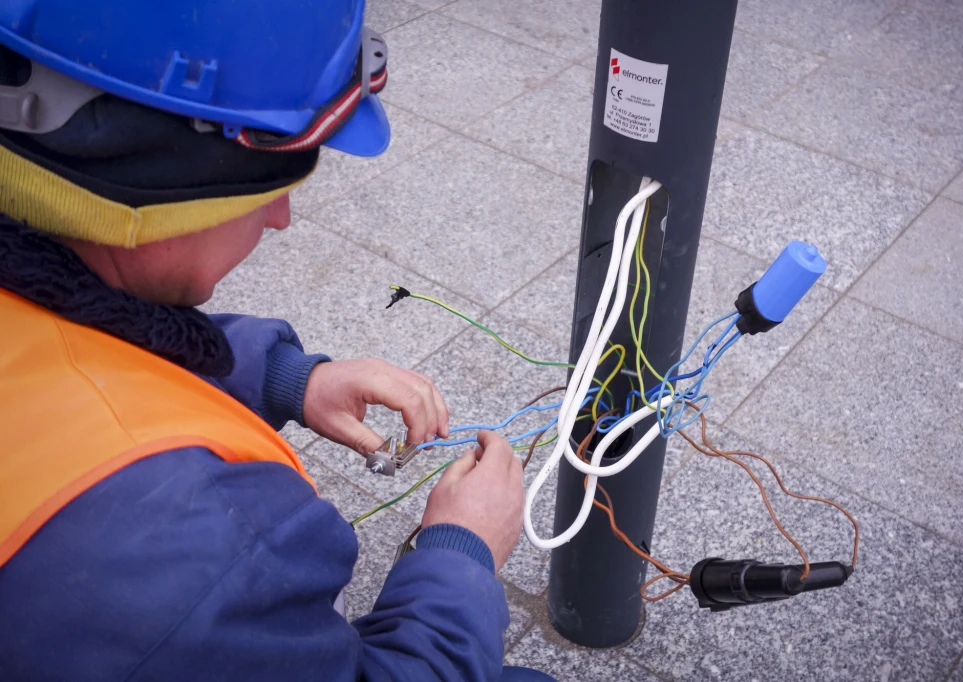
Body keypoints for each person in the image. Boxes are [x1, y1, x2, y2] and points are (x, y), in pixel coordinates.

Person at [0, 2, 552, 680]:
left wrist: (287, 379)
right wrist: (461, 551)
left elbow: (88, 348)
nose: (282, 217)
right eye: (266, 187)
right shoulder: (203, 550)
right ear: (162, 187)